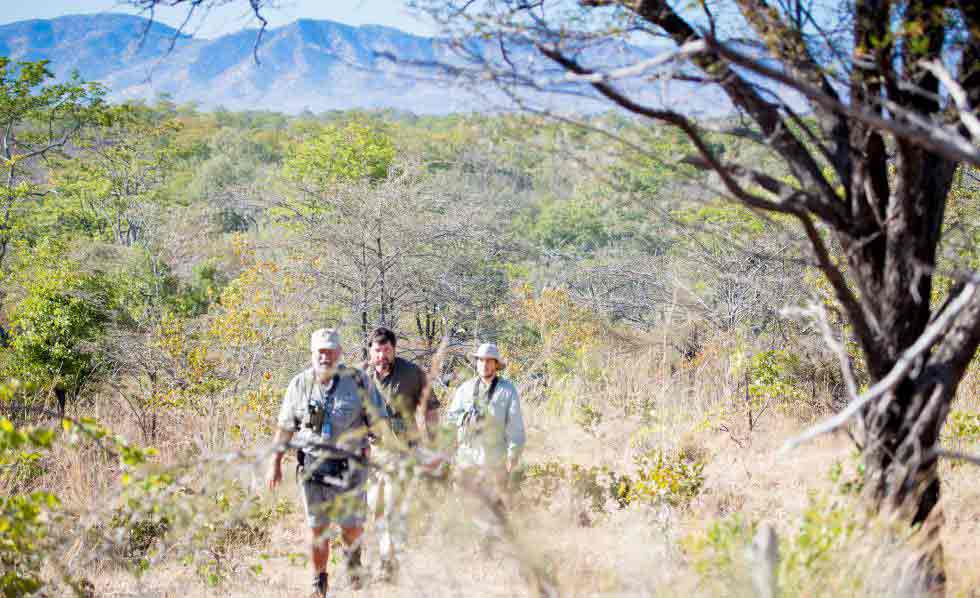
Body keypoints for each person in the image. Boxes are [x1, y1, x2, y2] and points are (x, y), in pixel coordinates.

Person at [268, 328, 389, 598]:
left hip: (350, 467)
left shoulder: (358, 381)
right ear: (312, 353)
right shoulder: (299, 384)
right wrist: (275, 462)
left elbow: (379, 421)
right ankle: (318, 582)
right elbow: (285, 427)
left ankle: (353, 559)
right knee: (317, 527)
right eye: (320, 352)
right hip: (313, 467)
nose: (325, 356)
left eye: (330, 351)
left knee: (351, 526)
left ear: (340, 352)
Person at [364, 326, 440, 583]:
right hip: (373, 453)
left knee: (393, 508)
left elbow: (430, 408)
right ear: (370, 352)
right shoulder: (360, 377)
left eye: (386, 350)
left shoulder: (411, 373)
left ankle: (389, 563)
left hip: (404, 449)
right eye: (377, 350)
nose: (382, 355)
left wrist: (433, 442)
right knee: (376, 507)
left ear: (394, 349)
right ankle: (389, 554)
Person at [445, 342, 526, 497]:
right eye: (481, 360)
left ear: (496, 364)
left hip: (494, 462)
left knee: (492, 511)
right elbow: (451, 420)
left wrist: (513, 455)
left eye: (489, 361)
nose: (484, 364)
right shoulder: (465, 389)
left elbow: (516, 427)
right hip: (466, 460)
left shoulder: (507, 390)